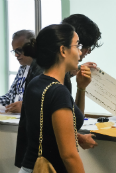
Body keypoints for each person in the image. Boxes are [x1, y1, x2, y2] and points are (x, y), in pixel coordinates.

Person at [15, 14, 102, 168]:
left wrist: (81, 88)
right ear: (63, 50)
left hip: (31, 166)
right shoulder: (56, 89)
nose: (81, 53)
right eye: (77, 46)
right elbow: (69, 155)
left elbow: (68, 121)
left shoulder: (38, 82)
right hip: (47, 166)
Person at [0, 30, 35, 113]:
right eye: (14, 51)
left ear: (30, 47)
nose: (16, 55)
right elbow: (10, 97)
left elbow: (43, 103)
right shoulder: (22, 68)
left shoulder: (41, 70)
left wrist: (25, 107)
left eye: (19, 50)